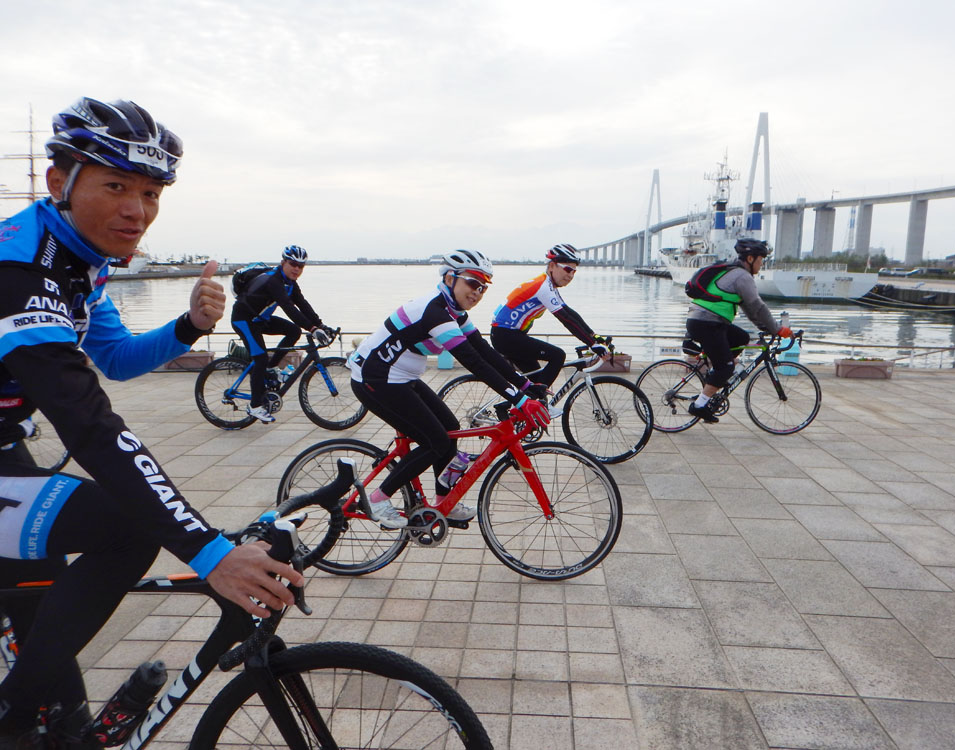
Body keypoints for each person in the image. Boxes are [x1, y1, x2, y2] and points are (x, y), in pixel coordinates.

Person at [0, 97, 303, 748]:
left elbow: (116, 359)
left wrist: (189, 326)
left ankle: (46, 721)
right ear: (60, 182)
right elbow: (89, 424)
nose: (137, 210)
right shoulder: (20, 268)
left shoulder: (79, 262)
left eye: (151, 193)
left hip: (6, 449)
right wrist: (210, 551)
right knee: (126, 527)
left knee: (42, 611)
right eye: (116, 186)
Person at [349, 249, 550, 529]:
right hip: (374, 378)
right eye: (472, 282)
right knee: (435, 441)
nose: (477, 292)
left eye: (483, 287)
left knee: (450, 428)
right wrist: (518, 399)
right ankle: (378, 499)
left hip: (400, 377)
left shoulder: (453, 311)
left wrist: (526, 385)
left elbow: (484, 351)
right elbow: (472, 361)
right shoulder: (434, 312)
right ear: (449, 278)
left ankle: (444, 500)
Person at [685, 238, 794, 423]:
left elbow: (750, 310)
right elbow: (758, 306)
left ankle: (715, 377)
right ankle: (699, 405)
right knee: (726, 367)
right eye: (761, 259)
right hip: (708, 323)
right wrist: (777, 329)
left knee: (741, 337)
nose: (762, 264)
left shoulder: (733, 273)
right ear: (750, 259)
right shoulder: (742, 276)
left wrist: (765, 327)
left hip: (706, 321)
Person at [231, 245, 334, 423]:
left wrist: (320, 325)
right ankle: (255, 406)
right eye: (293, 264)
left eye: (301, 266)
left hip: (260, 320)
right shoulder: (274, 281)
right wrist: (312, 329)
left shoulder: (290, 284)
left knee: (293, 331)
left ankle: (270, 368)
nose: (296, 269)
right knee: (260, 358)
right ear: (283, 262)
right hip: (243, 320)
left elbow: (302, 305)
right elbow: (288, 307)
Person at [490, 244, 607, 399]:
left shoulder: (548, 285)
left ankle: (527, 406)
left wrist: (593, 336)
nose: (571, 275)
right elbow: (565, 319)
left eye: (574, 271)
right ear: (552, 266)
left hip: (509, 335)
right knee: (557, 356)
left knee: (537, 381)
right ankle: (536, 402)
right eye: (567, 269)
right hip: (506, 336)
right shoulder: (543, 287)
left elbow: (569, 313)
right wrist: (592, 344)